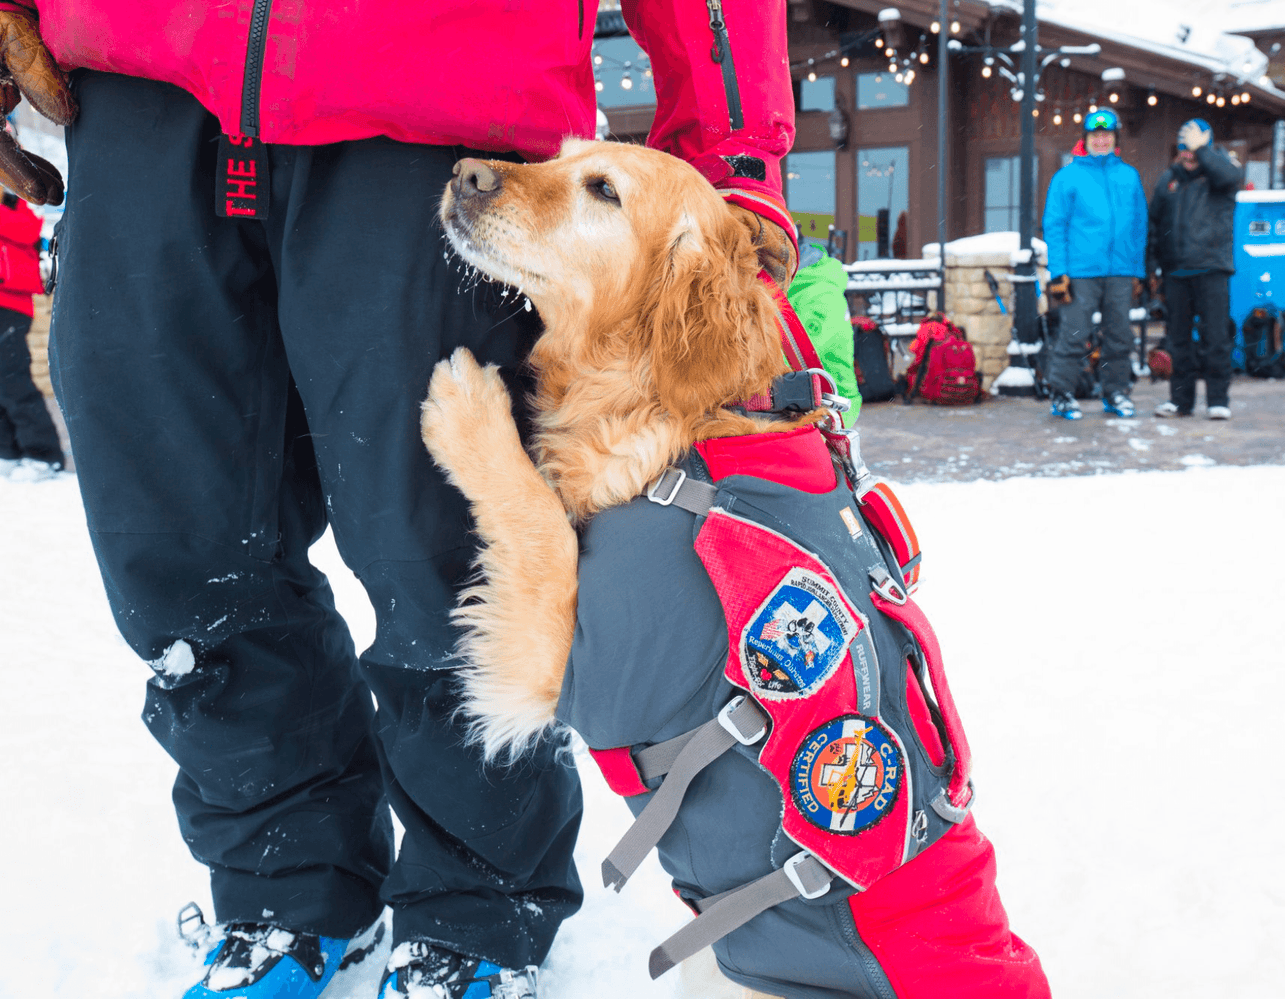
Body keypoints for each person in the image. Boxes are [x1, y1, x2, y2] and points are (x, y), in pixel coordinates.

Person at [0, 4, 796, 998]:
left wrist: (730, 155)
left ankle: (476, 906)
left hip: (432, 87)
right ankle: (277, 885)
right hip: (137, 85)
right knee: (178, 547)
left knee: (449, 557)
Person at [1041, 107, 1148, 420]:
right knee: (1074, 334)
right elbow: (1055, 226)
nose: (1101, 140)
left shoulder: (1129, 176)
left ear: (1114, 139)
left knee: (1119, 337)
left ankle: (1115, 392)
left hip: (1121, 271)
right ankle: (1061, 394)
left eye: (1107, 135)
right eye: (1095, 135)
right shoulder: (1067, 177)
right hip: (1080, 271)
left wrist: (1138, 271)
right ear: (1085, 140)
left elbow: (1140, 226)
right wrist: (1058, 272)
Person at [1146, 118, 1245, 420]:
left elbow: (1231, 177)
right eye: (1184, 150)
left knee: (1216, 337)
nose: (1188, 156)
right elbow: (1154, 226)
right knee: (1178, 341)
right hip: (1176, 273)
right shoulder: (1168, 181)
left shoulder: (1219, 176)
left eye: (1193, 149)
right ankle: (1180, 401)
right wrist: (1153, 268)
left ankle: (1218, 400)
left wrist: (1203, 150)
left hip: (1212, 268)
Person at [0, 186, 62, 476]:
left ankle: (43, 455)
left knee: (13, 380)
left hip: (11, 305)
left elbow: (28, 230)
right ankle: (7, 451)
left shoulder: (18, 207)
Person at [787, 234, 861, 422]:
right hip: (821, 402)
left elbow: (794, 355)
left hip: (827, 407)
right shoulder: (810, 285)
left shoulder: (815, 293)